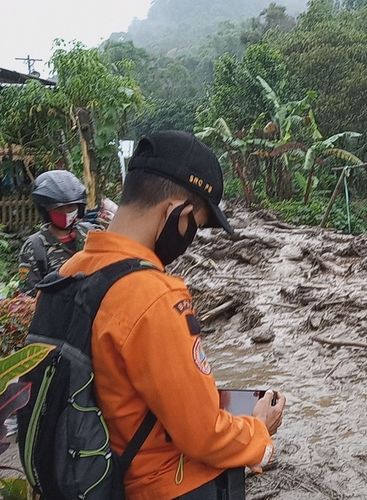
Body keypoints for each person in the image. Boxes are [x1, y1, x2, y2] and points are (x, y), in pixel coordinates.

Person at [58, 130, 286, 499]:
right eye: (196, 223)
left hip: (86, 476)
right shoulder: (152, 295)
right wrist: (260, 432)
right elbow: (202, 435)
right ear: (175, 211)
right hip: (159, 486)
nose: (191, 235)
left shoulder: (68, 274)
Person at [18, 170, 100, 293]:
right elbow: (28, 297)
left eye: (71, 207)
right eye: (60, 208)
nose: (66, 212)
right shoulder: (34, 247)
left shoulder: (92, 234)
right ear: (45, 210)